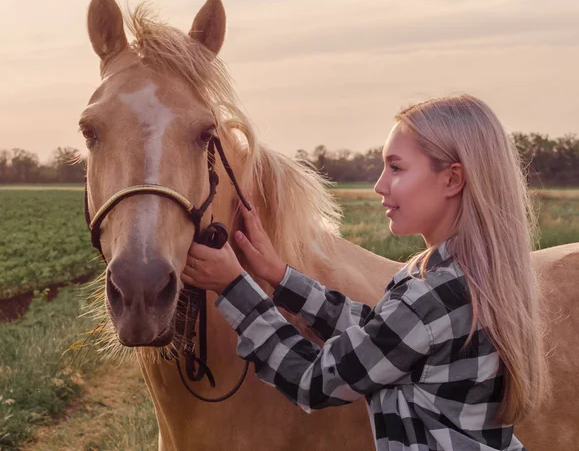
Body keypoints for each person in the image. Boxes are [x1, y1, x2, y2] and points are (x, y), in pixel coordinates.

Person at [181, 94, 548, 451]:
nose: (379, 185)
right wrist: (280, 276)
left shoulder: (432, 296)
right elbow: (379, 334)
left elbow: (314, 379)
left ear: (453, 180)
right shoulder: (466, 276)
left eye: (397, 167)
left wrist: (234, 287)